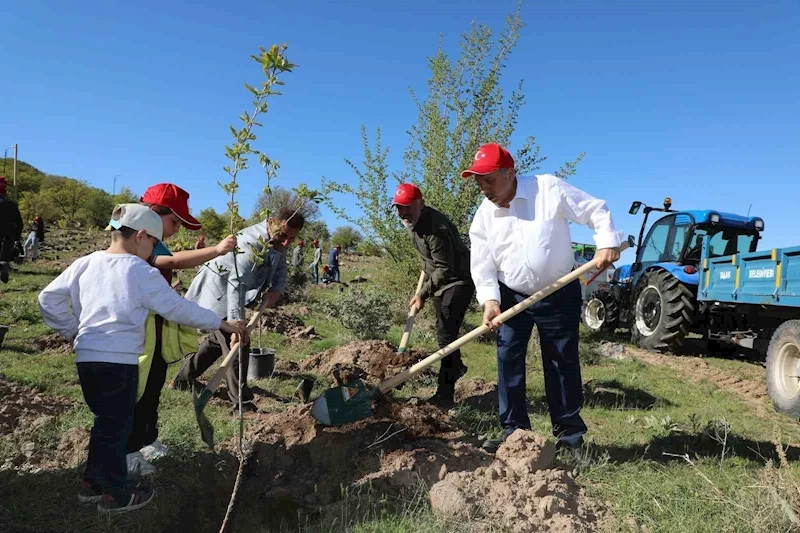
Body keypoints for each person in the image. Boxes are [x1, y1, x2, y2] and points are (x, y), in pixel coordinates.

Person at [37, 203, 245, 514]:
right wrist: (223, 323)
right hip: (119, 361)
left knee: (105, 422)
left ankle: (92, 483)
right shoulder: (140, 271)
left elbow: (47, 298)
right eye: (152, 244)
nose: (151, 251)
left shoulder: (86, 263)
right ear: (142, 235)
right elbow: (178, 308)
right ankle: (116, 494)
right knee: (118, 426)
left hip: (87, 359)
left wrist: (73, 331)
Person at [463, 143, 622, 455]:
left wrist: (606, 242)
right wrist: (490, 301)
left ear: (510, 173)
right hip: (511, 296)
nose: (483, 188)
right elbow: (482, 263)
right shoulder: (484, 216)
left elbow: (595, 209)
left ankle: (570, 439)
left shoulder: (548, 189)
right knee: (508, 361)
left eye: (489, 180)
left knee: (561, 361)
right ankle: (515, 436)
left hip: (557, 292)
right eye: (478, 181)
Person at [126, 183, 237, 476]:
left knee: (151, 391)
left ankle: (147, 440)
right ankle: (129, 452)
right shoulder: (140, 244)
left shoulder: (154, 241)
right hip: (139, 336)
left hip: (156, 337)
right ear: (153, 212)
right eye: (174, 221)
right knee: (138, 394)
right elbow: (172, 262)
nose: (176, 229)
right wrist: (217, 250)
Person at [170, 207, 305, 413]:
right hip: (218, 292)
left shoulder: (277, 239)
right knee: (238, 343)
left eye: (291, 238)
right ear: (271, 222)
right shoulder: (251, 244)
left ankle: (182, 380)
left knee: (218, 341)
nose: (286, 242)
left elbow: (280, 267)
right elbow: (236, 284)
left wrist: (277, 289)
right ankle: (241, 404)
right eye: (284, 235)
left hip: (234, 292)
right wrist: (237, 324)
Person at [393, 183, 474, 407]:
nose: (402, 212)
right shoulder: (413, 222)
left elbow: (445, 268)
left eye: (407, 207)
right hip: (440, 282)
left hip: (458, 281)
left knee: (446, 336)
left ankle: (445, 395)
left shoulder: (435, 229)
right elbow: (430, 259)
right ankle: (456, 367)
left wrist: (422, 294)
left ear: (421, 203)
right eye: (399, 207)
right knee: (444, 332)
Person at [0, 176, 22, 283]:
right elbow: (19, 223)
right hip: (8, 235)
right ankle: (3, 265)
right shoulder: (12, 205)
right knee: (3, 257)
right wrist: (17, 238)